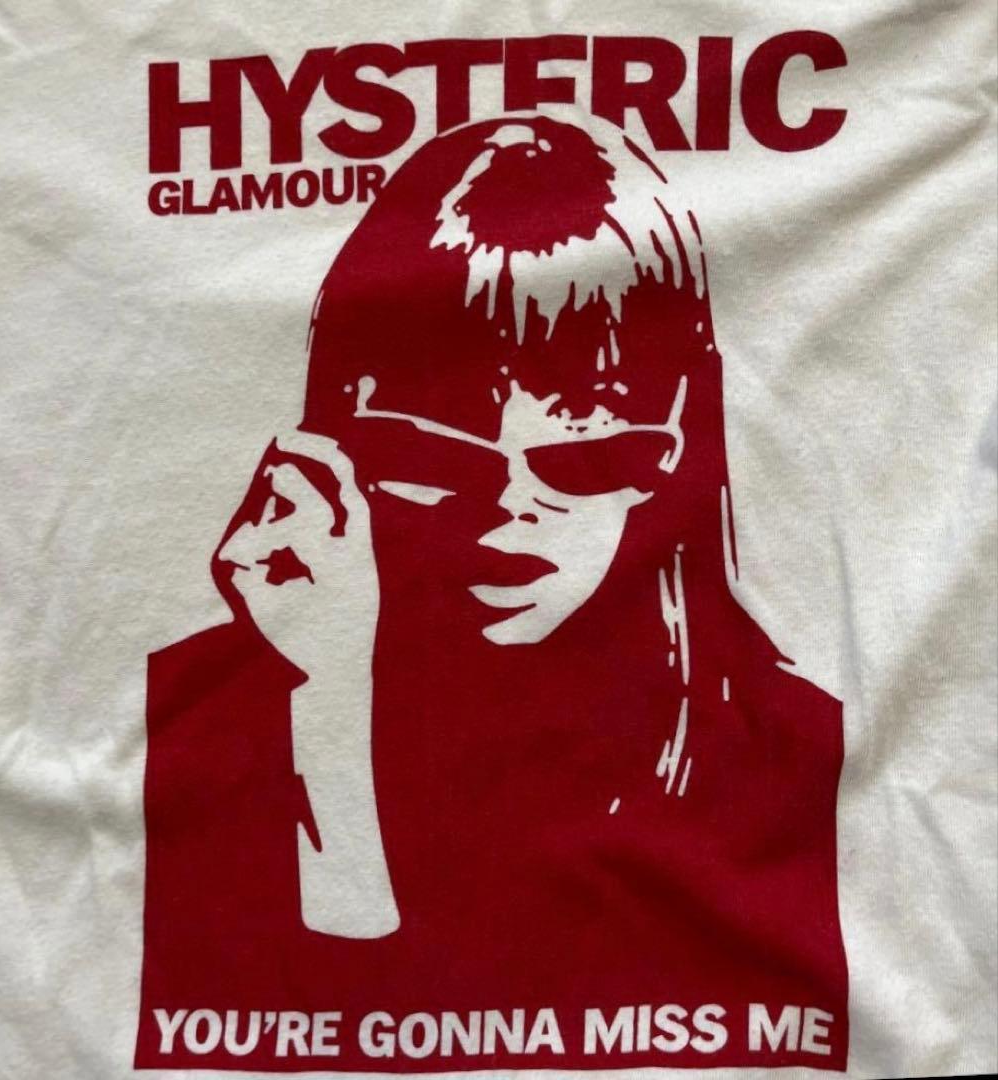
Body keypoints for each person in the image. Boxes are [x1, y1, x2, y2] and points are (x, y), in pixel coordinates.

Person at [138, 115, 848, 1071]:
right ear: (332, 447)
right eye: (432, 455)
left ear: (684, 445)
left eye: (587, 457)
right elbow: (309, 1011)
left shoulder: (787, 749)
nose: (508, 509)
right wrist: (323, 691)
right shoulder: (196, 729)